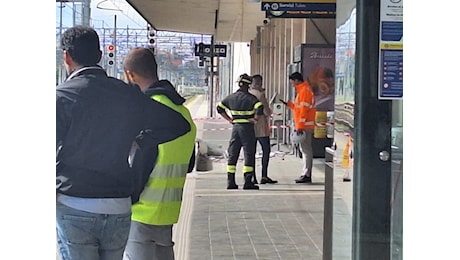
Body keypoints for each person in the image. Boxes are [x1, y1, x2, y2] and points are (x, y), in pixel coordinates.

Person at [56, 26, 190, 260]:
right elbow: (177, 124)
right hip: (118, 206)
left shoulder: (62, 97)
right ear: (99, 56)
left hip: (74, 202)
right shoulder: (127, 94)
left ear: (66, 56)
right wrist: (140, 140)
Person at [122, 47, 197, 260]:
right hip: (169, 213)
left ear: (130, 75)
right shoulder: (183, 113)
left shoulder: (147, 111)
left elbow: (141, 160)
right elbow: (189, 163)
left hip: (140, 212)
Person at [217, 74, 264, 190]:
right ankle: (248, 182)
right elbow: (260, 107)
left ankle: (230, 181)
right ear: (248, 85)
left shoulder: (231, 97)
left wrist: (229, 119)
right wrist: (256, 119)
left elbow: (219, 108)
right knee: (248, 153)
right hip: (247, 128)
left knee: (233, 154)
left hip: (236, 128)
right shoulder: (251, 98)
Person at [280, 72, 316, 183]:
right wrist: (289, 105)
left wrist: (299, 126)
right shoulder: (303, 90)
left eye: (292, 82)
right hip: (305, 125)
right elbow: (299, 109)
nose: (291, 84)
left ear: (296, 80)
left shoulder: (304, 91)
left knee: (306, 150)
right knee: (305, 150)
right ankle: (306, 173)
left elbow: (304, 111)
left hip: (304, 126)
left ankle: (306, 174)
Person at [249, 74, 277, 184]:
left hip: (250, 127)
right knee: (266, 150)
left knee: (251, 152)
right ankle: (264, 176)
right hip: (261, 127)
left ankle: (252, 177)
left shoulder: (248, 94)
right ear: (260, 83)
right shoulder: (260, 95)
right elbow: (267, 112)